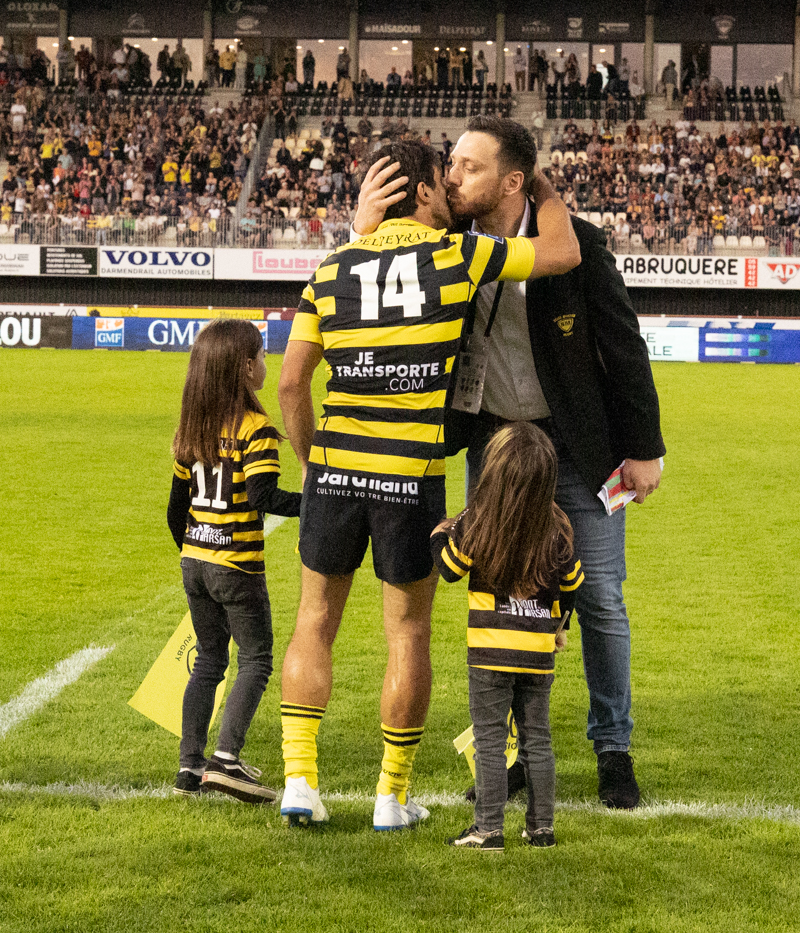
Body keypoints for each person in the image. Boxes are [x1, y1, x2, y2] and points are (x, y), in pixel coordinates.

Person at [353, 116, 665, 808]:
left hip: (579, 450)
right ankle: (516, 755)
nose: (451, 175)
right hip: (494, 449)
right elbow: (367, 283)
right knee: (502, 601)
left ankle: (613, 747)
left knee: (601, 599)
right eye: (451, 164)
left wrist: (645, 448)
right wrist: (363, 226)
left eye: (467, 166)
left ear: (513, 181)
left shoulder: (577, 243)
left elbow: (624, 346)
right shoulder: (445, 244)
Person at [276, 140, 581, 831]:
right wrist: (538, 185)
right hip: (408, 476)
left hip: (336, 468)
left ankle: (300, 780)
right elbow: (561, 253)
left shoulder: (331, 268)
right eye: (443, 188)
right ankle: (391, 796)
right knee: (407, 634)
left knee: (313, 623)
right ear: (420, 194)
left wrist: (311, 459)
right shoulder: (459, 256)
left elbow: (291, 381)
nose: (453, 197)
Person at [167, 319, 302, 803]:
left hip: (194, 561)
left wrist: (194, 550)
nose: (267, 362)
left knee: (208, 660)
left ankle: (189, 765)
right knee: (257, 658)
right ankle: (226, 760)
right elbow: (263, 496)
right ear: (246, 368)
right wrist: (320, 502)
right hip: (237, 564)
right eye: (263, 355)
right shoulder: (256, 430)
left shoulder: (193, 426)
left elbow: (174, 511)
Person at [434, 422, 583, 852]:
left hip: (489, 654)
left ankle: (488, 828)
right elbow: (573, 584)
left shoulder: (479, 522)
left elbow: (448, 567)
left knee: (491, 740)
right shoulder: (557, 528)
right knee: (538, 738)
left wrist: (442, 530)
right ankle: (542, 829)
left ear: (492, 474)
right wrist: (559, 626)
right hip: (538, 653)